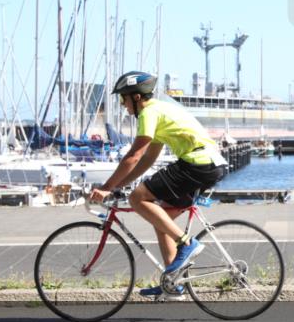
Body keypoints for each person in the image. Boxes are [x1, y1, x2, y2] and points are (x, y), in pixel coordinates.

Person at [90, 71, 228, 299]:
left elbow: (134, 156)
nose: (122, 105)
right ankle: (173, 283)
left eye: (123, 99)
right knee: (161, 217)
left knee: (137, 199)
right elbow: (148, 159)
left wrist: (106, 188)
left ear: (136, 97)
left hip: (198, 163)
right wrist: (117, 186)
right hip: (209, 164)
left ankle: (187, 244)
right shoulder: (159, 110)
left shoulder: (149, 112)